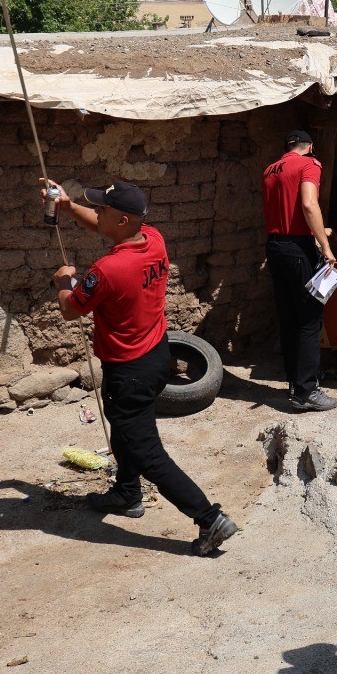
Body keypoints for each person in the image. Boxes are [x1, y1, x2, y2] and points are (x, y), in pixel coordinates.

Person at [42, 178, 239, 557]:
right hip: (153, 357)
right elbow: (103, 225)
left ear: (122, 221)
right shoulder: (152, 238)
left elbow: (70, 309)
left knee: (148, 451)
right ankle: (127, 493)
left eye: (102, 209)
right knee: (124, 426)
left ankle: (209, 518)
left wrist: (64, 281)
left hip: (128, 369)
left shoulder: (108, 269)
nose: (96, 213)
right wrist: (66, 207)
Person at [262, 129, 337, 412]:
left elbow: (286, 212)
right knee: (309, 318)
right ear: (311, 147)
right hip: (298, 250)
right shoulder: (310, 164)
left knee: (289, 317)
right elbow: (308, 204)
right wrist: (325, 246)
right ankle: (308, 391)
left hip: (276, 247)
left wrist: (319, 229)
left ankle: (295, 387)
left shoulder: (270, 170)